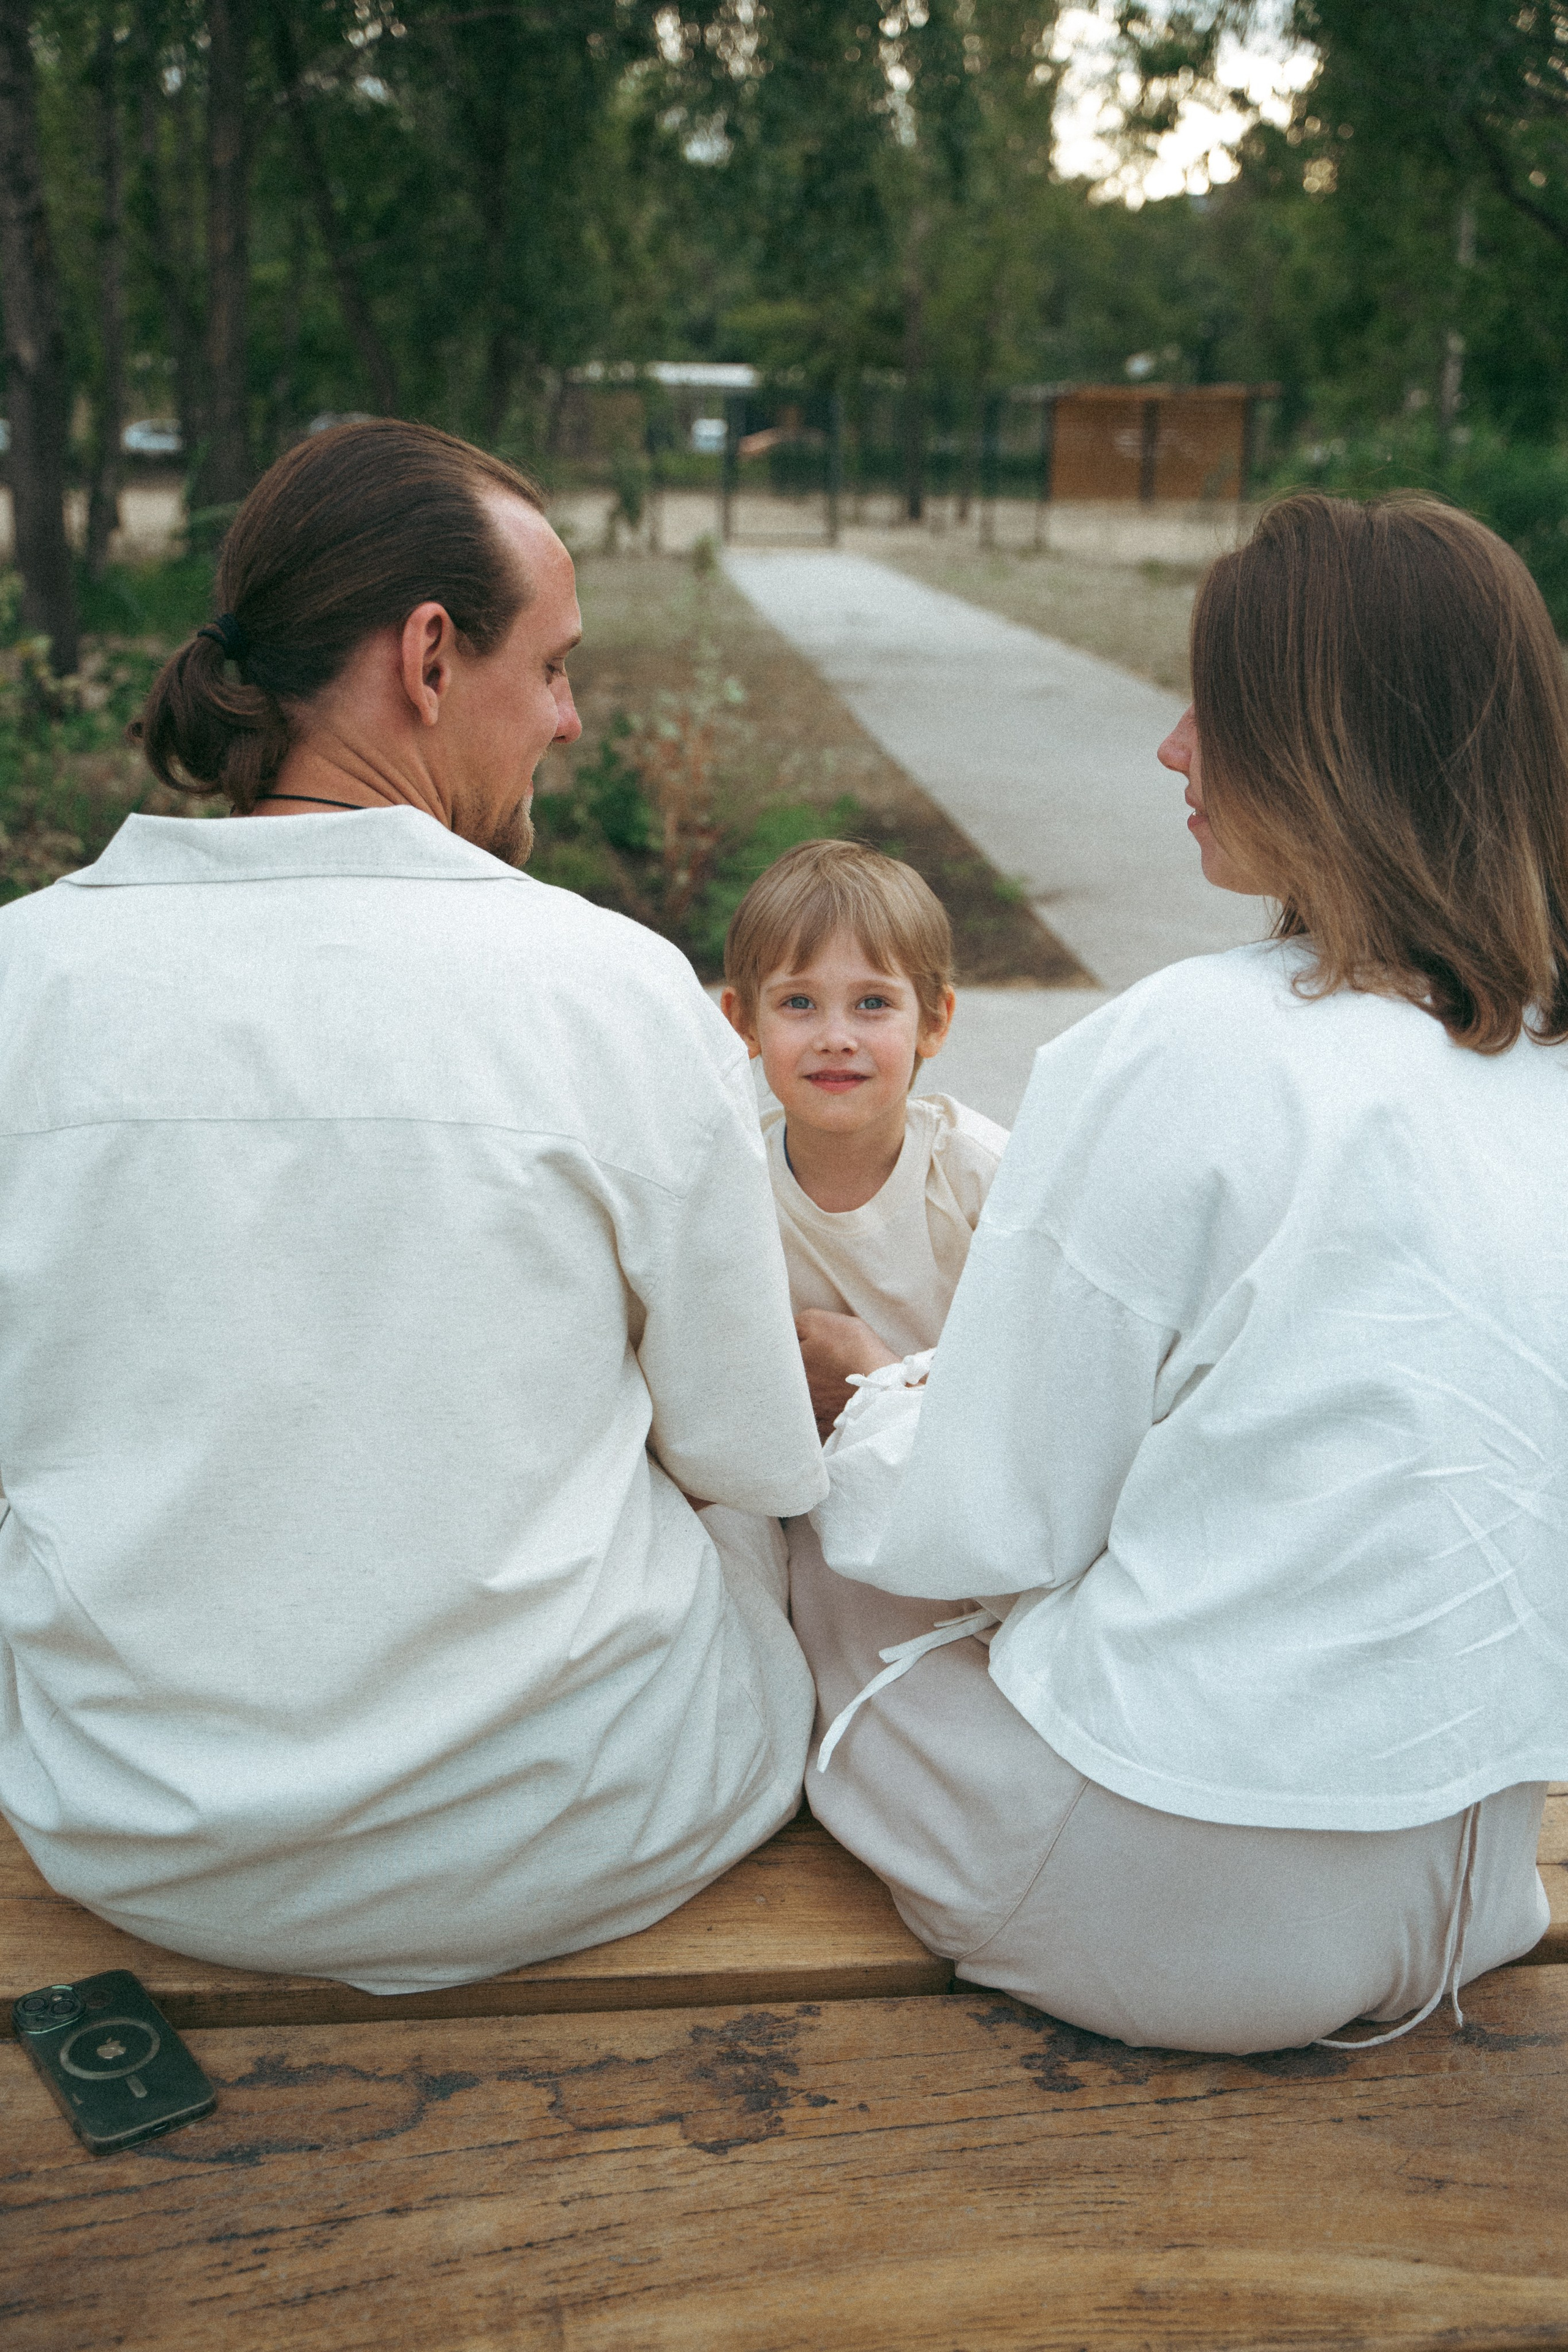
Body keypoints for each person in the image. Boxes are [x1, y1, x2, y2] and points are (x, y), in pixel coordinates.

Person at [0, 418, 826, 1994]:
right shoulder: (609, 990)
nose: (572, 720)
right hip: (590, 1824)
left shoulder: (21, 982)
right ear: (430, 658)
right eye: (558, 664)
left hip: (140, 1836)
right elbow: (748, 1453)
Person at [791, 491, 1568, 2054]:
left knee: (807, 1543)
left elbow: (989, 1518)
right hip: (1477, 1864)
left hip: (1169, 1910)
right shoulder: (1540, 1060)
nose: (1168, 749)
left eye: (1212, 707)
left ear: (1325, 743)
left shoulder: (1188, 1041)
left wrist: (873, 1396)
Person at [719, 839, 1008, 1439]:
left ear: (934, 1020)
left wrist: (878, 1380)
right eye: (798, 1002)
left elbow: (1040, 1396)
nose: (836, 1037)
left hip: (937, 1491)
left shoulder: (984, 1180)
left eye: (872, 1003)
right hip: (788, 1499)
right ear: (742, 1023)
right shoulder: (725, 1184)